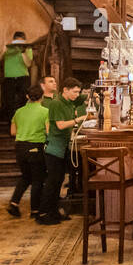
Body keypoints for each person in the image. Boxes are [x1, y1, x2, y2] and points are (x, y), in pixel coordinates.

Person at [38, 78, 89, 224]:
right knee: (52, 182)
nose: (77, 95)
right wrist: (77, 120)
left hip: (63, 147)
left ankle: (54, 211)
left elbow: (84, 98)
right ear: (65, 90)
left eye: (78, 92)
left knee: (59, 181)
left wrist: (97, 95)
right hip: (54, 148)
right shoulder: (56, 103)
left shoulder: (69, 102)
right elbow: (60, 125)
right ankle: (43, 213)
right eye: (74, 92)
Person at [7, 84, 48, 219]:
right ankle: (35, 210)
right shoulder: (44, 112)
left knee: (25, 176)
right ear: (42, 97)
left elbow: (13, 132)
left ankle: (14, 203)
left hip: (19, 147)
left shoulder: (19, 111)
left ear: (27, 97)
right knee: (37, 179)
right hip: (35, 146)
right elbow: (48, 131)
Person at [2, 32, 34, 113]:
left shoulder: (27, 49)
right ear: (14, 41)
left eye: (21, 42)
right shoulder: (8, 49)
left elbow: (28, 64)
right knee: (8, 102)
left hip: (23, 77)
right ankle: (11, 122)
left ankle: (22, 119)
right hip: (9, 78)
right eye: (17, 41)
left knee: (23, 101)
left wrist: (23, 52)